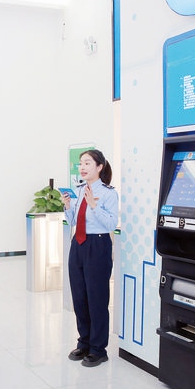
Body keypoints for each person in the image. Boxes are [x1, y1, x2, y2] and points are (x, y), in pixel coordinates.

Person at [62, 149, 118, 368]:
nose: (82, 167)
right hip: (78, 244)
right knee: (79, 297)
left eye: (87, 163)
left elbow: (111, 224)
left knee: (97, 298)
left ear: (99, 167)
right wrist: (68, 206)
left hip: (98, 244)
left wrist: (94, 206)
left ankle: (98, 349)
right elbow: (73, 221)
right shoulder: (78, 190)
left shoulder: (108, 193)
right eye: (81, 163)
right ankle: (84, 342)